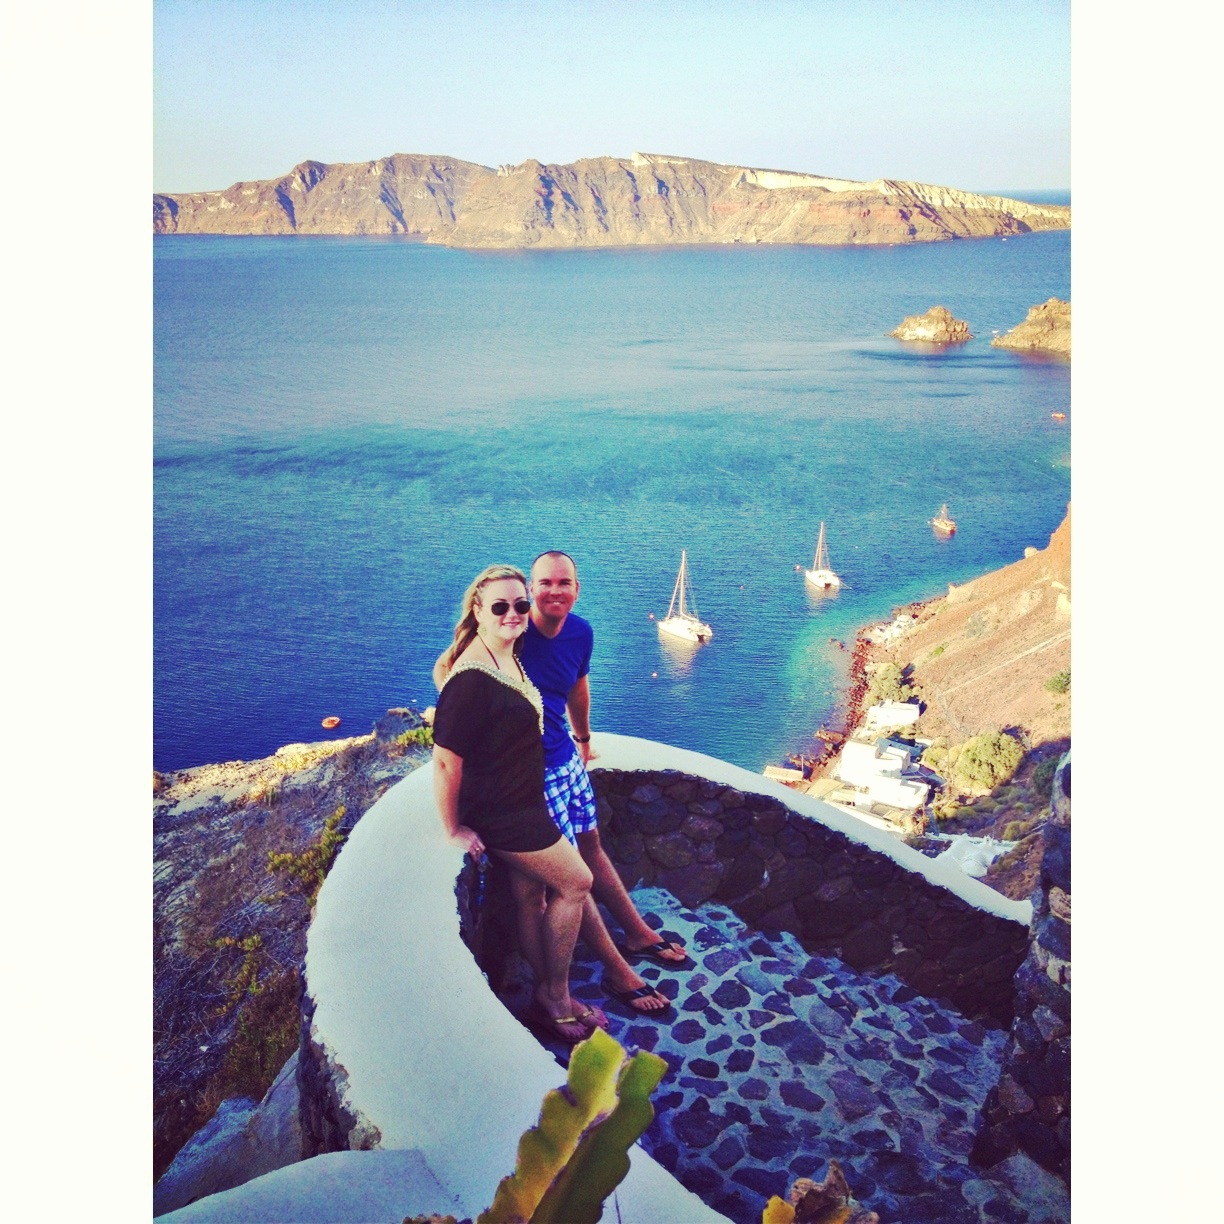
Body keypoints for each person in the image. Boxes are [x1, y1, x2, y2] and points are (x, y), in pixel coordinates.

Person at [435, 551, 689, 1016]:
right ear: (532, 589)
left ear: (576, 588)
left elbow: (577, 687)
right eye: (544, 584)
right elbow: (449, 677)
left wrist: (584, 738)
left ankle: (636, 933)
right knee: (566, 880)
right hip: (532, 780)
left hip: (568, 762)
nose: (553, 592)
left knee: (591, 849)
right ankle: (616, 972)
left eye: (564, 582)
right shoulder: (512, 636)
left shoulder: (578, 632)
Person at [431, 564, 606, 1044]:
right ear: (478, 611)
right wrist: (453, 829)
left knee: (531, 896)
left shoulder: (509, 651)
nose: (513, 613)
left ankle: (545, 995)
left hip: (525, 798)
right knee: (576, 881)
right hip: (503, 813)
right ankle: (556, 996)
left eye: (519, 604)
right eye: (500, 606)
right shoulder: (471, 678)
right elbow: (444, 762)